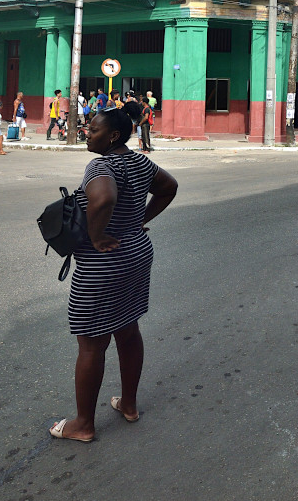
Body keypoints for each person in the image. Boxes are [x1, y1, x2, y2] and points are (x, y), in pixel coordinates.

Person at [49, 107, 179, 443]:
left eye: (93, 130)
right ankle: (129, 405)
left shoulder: (101, 166)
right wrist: (139, 221)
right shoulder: (140, 162)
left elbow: (104, 198)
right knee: (127, 328)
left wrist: (95, 236)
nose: (87, 134)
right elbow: (169, 187)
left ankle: (83, 425)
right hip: (136, 255)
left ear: (113, 136)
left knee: (91, 344)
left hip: (103, 264)